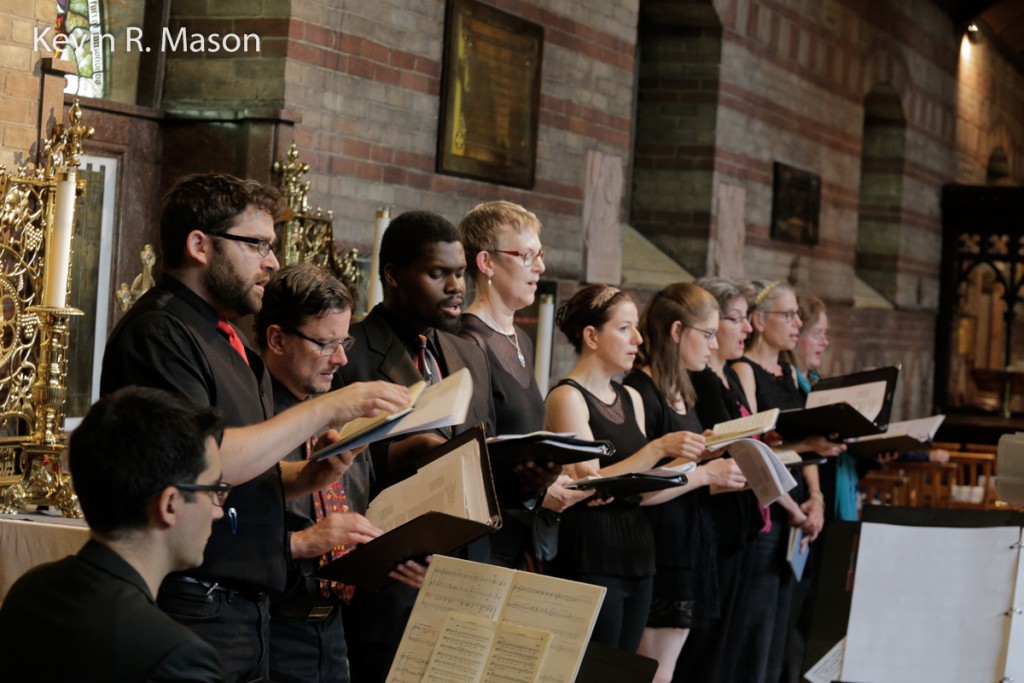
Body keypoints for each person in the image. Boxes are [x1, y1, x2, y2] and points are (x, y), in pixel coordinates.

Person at [100, 173, 409, 681]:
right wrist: (328, 408)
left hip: (248, 606)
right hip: (194, 599)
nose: (271, 262)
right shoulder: (160, 332)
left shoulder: (231, 342)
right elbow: (203, 461)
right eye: (256, 245)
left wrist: (307, 477)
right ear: (199, 245)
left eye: (272, 246)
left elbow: (238, 473)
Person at [334, 209, 498, 682]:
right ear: (393, 275)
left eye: (460, 273)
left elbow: (485, 451)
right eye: (437, 273)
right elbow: (336, 471)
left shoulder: (469, 353)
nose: (455, 286)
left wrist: (528, 474)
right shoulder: (351, 354)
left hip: (466, 578)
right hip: (394, 580)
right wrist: (399, 452)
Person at [258, 264, 419, 683]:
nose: (343, 358)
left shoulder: (347, 418)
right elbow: (220, 529)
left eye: (344, 340)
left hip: (334, 632)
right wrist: (302, 541)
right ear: (277, 338)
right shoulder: (252, 422)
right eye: (326, 343)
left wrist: (397, 558)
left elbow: (357, 518)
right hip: (269, 629)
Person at [0, 387, 227, 682]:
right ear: (170, 504)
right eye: (213, 491)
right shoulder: (178, 657)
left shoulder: (29, 591)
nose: (218, 511)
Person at [544, 284, 701, 652]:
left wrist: (692, 463)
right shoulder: (567, 396)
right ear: (591, 336)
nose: (638, 338)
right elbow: (589, 480)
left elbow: (642, 488)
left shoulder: (630, 397)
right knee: (592, 671)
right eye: (625, 328)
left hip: (638, 549)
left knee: (626, 670)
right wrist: (658, 448)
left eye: (637, 328)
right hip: (592, 550)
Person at [624, 283, 747, 683]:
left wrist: (711, 459)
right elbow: (641, 488)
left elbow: (681, 468)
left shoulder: (684, 389)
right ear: (677, 331)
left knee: (670, 670)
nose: (713, 346)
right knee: (652, 673)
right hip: (660, 545)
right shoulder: (640, 389)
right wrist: (706, 472)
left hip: (690, 540)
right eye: (707, 335)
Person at [729, 279, 840, 683]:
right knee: (754, 630)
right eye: (787, 315)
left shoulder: (791, 372)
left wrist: (816, 498)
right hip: (768, 509)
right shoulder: (743, 370)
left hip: (798, 509)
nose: (796, 323)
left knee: (780, 625)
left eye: (797, 315)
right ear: (758, 320)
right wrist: (793, 507)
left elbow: (808, 441)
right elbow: (754, 449)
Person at [457, 200, 578, 568]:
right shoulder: (465, 340)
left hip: (519, 533)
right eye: (526, 255)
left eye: (539, 255)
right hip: (481, 540)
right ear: (487, 262)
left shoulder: (520, 339)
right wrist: (540, 490)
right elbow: (473, 454)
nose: (540, 266)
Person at [675, 276, 766, 683]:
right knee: (703, 656)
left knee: (726, 650)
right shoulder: (697, 381)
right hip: (714, 523)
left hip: (737, 521)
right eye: (736, 320)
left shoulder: (723, 376)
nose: (747, 328)